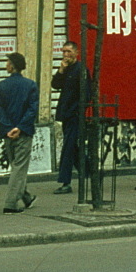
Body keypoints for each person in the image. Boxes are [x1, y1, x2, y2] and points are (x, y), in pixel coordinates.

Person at [0, 52, 38, 213]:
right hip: (24, 133)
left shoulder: (1, 87)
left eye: (7, 62)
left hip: (7, 133)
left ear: (12, 65)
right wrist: (19, 127)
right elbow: (32, 110)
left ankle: (26, 197)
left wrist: (8, 129)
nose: (5, 64)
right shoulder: (31, 85)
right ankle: (10, 204)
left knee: (16, 166)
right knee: (19, 167)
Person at [51, 41, 87, 194]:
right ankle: (91, 173)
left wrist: (78, 111)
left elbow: (86, 93)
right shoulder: (66, 70)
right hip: (65, 114)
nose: (66, 55)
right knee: (74, 148)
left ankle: (65, 182)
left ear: (76, 52)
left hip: (75, 115)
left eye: (69, 52)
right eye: (63, 51)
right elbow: (55, 85)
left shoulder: (81, 70)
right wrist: (60, 70)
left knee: (68, 147)